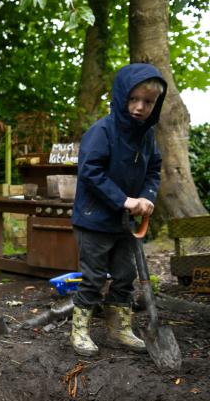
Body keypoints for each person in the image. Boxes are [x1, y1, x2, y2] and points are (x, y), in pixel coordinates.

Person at [70, 63, 166, 356]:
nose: (139, 108)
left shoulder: (147, 137)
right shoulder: (102, 131)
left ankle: (119, 329)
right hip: (94, 221)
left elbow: (154, 169)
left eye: (148, 102)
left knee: (124, 276)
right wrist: (123, 200)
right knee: (94, 277)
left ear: (156, 104)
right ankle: (79, 331)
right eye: (134, 99)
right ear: (122, 96)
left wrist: (147, 196)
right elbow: (90, 172)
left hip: (126, 224)